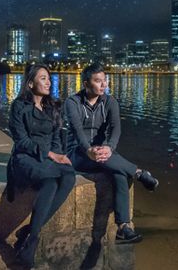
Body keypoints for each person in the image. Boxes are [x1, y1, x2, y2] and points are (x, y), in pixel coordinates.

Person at [63, 63, 158, 243]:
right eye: (98, 81)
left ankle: (123, 227)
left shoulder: (109, 101)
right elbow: (77, 132)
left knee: (119, 173)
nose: (103, 85)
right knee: (117, 167)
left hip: (101, 153)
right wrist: (88, 150)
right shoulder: (72, 102)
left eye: (104, 80)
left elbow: (116, 130)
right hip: (76, 152)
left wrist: (109, 147)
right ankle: (138, 173)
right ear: (86, 83)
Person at [7, 64, 76, 267]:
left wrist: (58, 155)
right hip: (25, 158)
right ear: (30, 83)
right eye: (43, 78)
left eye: (49, 78)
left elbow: (56, 137)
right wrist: (49, 154)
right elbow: (21, 141)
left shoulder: (52, 106)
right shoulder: (19, 106)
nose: (49, 82)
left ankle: (28, 231)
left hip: (48, 157)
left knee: (69, 177)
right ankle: (31, 243)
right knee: (50, 183)